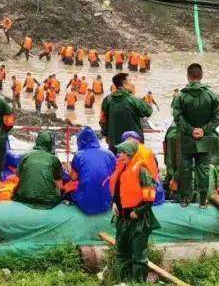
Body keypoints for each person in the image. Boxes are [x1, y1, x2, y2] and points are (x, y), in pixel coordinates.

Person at [110, 141, 160, 284]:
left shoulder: (142, 170)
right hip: (123, 219)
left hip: (139, 220)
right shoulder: (123, 170)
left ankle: (137, 282)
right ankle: (122, 281)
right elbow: (118, 192)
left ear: (130, 153)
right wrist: (114, 203)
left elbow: (150, 198)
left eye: (122, 153)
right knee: (122, 253)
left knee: (139, 256)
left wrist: (138, 211)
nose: (119, 156)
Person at [173, 63, 219, 207]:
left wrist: (190, 129)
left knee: (185, 168)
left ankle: (185, 199)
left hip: (187, 140)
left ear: (188, 76)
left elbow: (177, 117)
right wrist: (204, 130)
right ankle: (202, 200)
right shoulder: (212, 96)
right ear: (201, 76)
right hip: (205, 140)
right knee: (203, 169)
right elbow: (217, 118)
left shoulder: (181, 96)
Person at [65, 127, 115, 215]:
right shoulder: (109, 154)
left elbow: (73, 177)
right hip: (107, 202)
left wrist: (68, 171)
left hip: (85, 203)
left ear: (80, 141)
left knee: (68, 192)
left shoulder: (79, 155)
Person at [12, 131, 64, 209]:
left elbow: (18, 177)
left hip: (24, 197)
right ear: (50, 144)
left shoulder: (26, 156)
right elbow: (59, 183)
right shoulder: (54, 159)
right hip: (47, 200)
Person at [99, 73, 152, 149]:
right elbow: (148, 112)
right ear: (125, 84)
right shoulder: (133, 100)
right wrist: (148, 102)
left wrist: (106, 134)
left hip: (113, 143)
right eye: (130, 80)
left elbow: (102, 120)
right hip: (133, 144)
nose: (132, 83)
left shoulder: (107, 100)